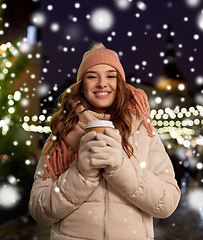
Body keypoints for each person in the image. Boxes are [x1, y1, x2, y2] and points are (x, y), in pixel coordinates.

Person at [28, 42, 181, 239]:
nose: (102, 83)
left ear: (121, 84)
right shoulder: (62, 134)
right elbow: (39, 210)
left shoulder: (144, 133)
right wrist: (82, 173)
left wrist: (120, 168)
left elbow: (167, 203)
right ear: (82, 85)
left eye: (111, 76)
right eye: (92, 76)